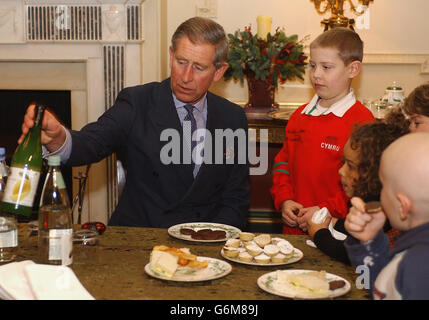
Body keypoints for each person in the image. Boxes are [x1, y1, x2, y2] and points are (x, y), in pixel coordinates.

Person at [19, 17, 250, 229]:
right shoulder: (137, 102)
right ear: (171, 56)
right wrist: (58, 138)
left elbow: (236, 199)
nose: (186, 76)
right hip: (143, 239)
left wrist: (213, 240)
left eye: (198, 68)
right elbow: (93, 142)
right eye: (181, 62)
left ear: (219, 72)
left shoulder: (232, 118)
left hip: (206, 244)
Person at [270, 27, 375, 235]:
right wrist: (285, 199)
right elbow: (283, 162)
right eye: (312, 66)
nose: (316, 74)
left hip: (335, 233)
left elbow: (363, 183)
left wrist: (325, 210)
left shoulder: (363, 122)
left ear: (353, 69)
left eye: (326, 67)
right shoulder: (299, 115)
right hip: (293, 232)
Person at [305, 120, 409, 264]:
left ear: (375, 173)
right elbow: (358, 233)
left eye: (351, 166)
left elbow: (350, 253)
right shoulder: (374, 196)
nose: (341, 171)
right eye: (344, 163)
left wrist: (319, 233)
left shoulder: (379, 207)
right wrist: (335, 223)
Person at [344, 132, 429, 300]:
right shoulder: (414, 254)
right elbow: (382, 291)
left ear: (402, 207)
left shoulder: (419, 266)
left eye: (383, 186)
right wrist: (369, 243)